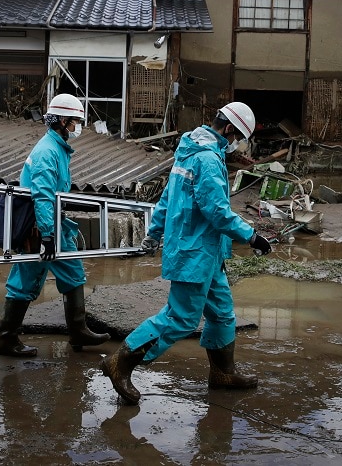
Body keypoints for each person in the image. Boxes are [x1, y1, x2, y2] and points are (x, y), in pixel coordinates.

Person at [100, 102, 272, 405]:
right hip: (195, 253)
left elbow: (167, 198)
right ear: (229, 129)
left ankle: (223, 373)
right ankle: (121, 363)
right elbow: (217, 211)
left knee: (221, 315)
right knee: (180, 318)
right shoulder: (206, 158)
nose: (236, 146)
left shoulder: (190, 150)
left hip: (208, 254)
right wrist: (252, 236)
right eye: (237, 139)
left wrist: (153, 234)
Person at [0, 93, 110, 357]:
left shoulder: (58, 147)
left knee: (73, 274)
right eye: (75, 121)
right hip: (39, 226)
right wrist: (47, 235)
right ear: (61, 120)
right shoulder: (48, 152)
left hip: (55, 224)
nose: (77, 126)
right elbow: (43, 196)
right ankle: (7, 338)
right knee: (25, 280)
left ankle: (78, 331)